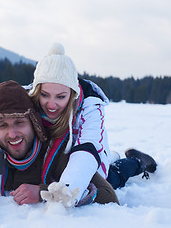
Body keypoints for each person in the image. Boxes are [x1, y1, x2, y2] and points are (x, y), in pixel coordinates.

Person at [0, 80, 119, 207]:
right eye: (3, 125)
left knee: (114, 176)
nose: (12, 133)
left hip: (96, 160)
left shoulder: (57, 153)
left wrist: (43, 194)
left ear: (34, 124)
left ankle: (134, 163)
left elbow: (108, 196)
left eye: (19, 123)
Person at [28, 43, 157, 197]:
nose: (51, 104)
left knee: (110, 179)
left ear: (72, 93)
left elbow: (86, 152)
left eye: (61, 97)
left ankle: (138, 162)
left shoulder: (90, 107)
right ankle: (112, 156)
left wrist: (64, 193)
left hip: (88, 162)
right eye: (45, 95)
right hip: (55, 164)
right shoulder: (26, 103)